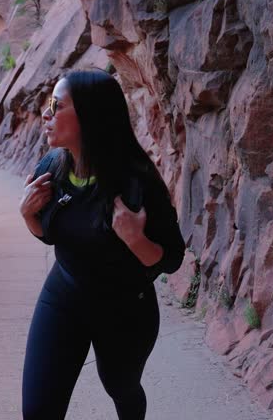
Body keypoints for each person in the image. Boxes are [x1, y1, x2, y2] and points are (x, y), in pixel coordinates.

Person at [19, 70, 185, 419]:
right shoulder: (53, 167)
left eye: (56, 105)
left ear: (89, 115)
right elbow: (51, 235)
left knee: (120, 386)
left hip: (124, 309)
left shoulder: (137, 182)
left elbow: (171, 259)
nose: (46, 114)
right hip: (64, 295)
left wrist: (135, 239)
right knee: (37, 411)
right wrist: (28, 216)